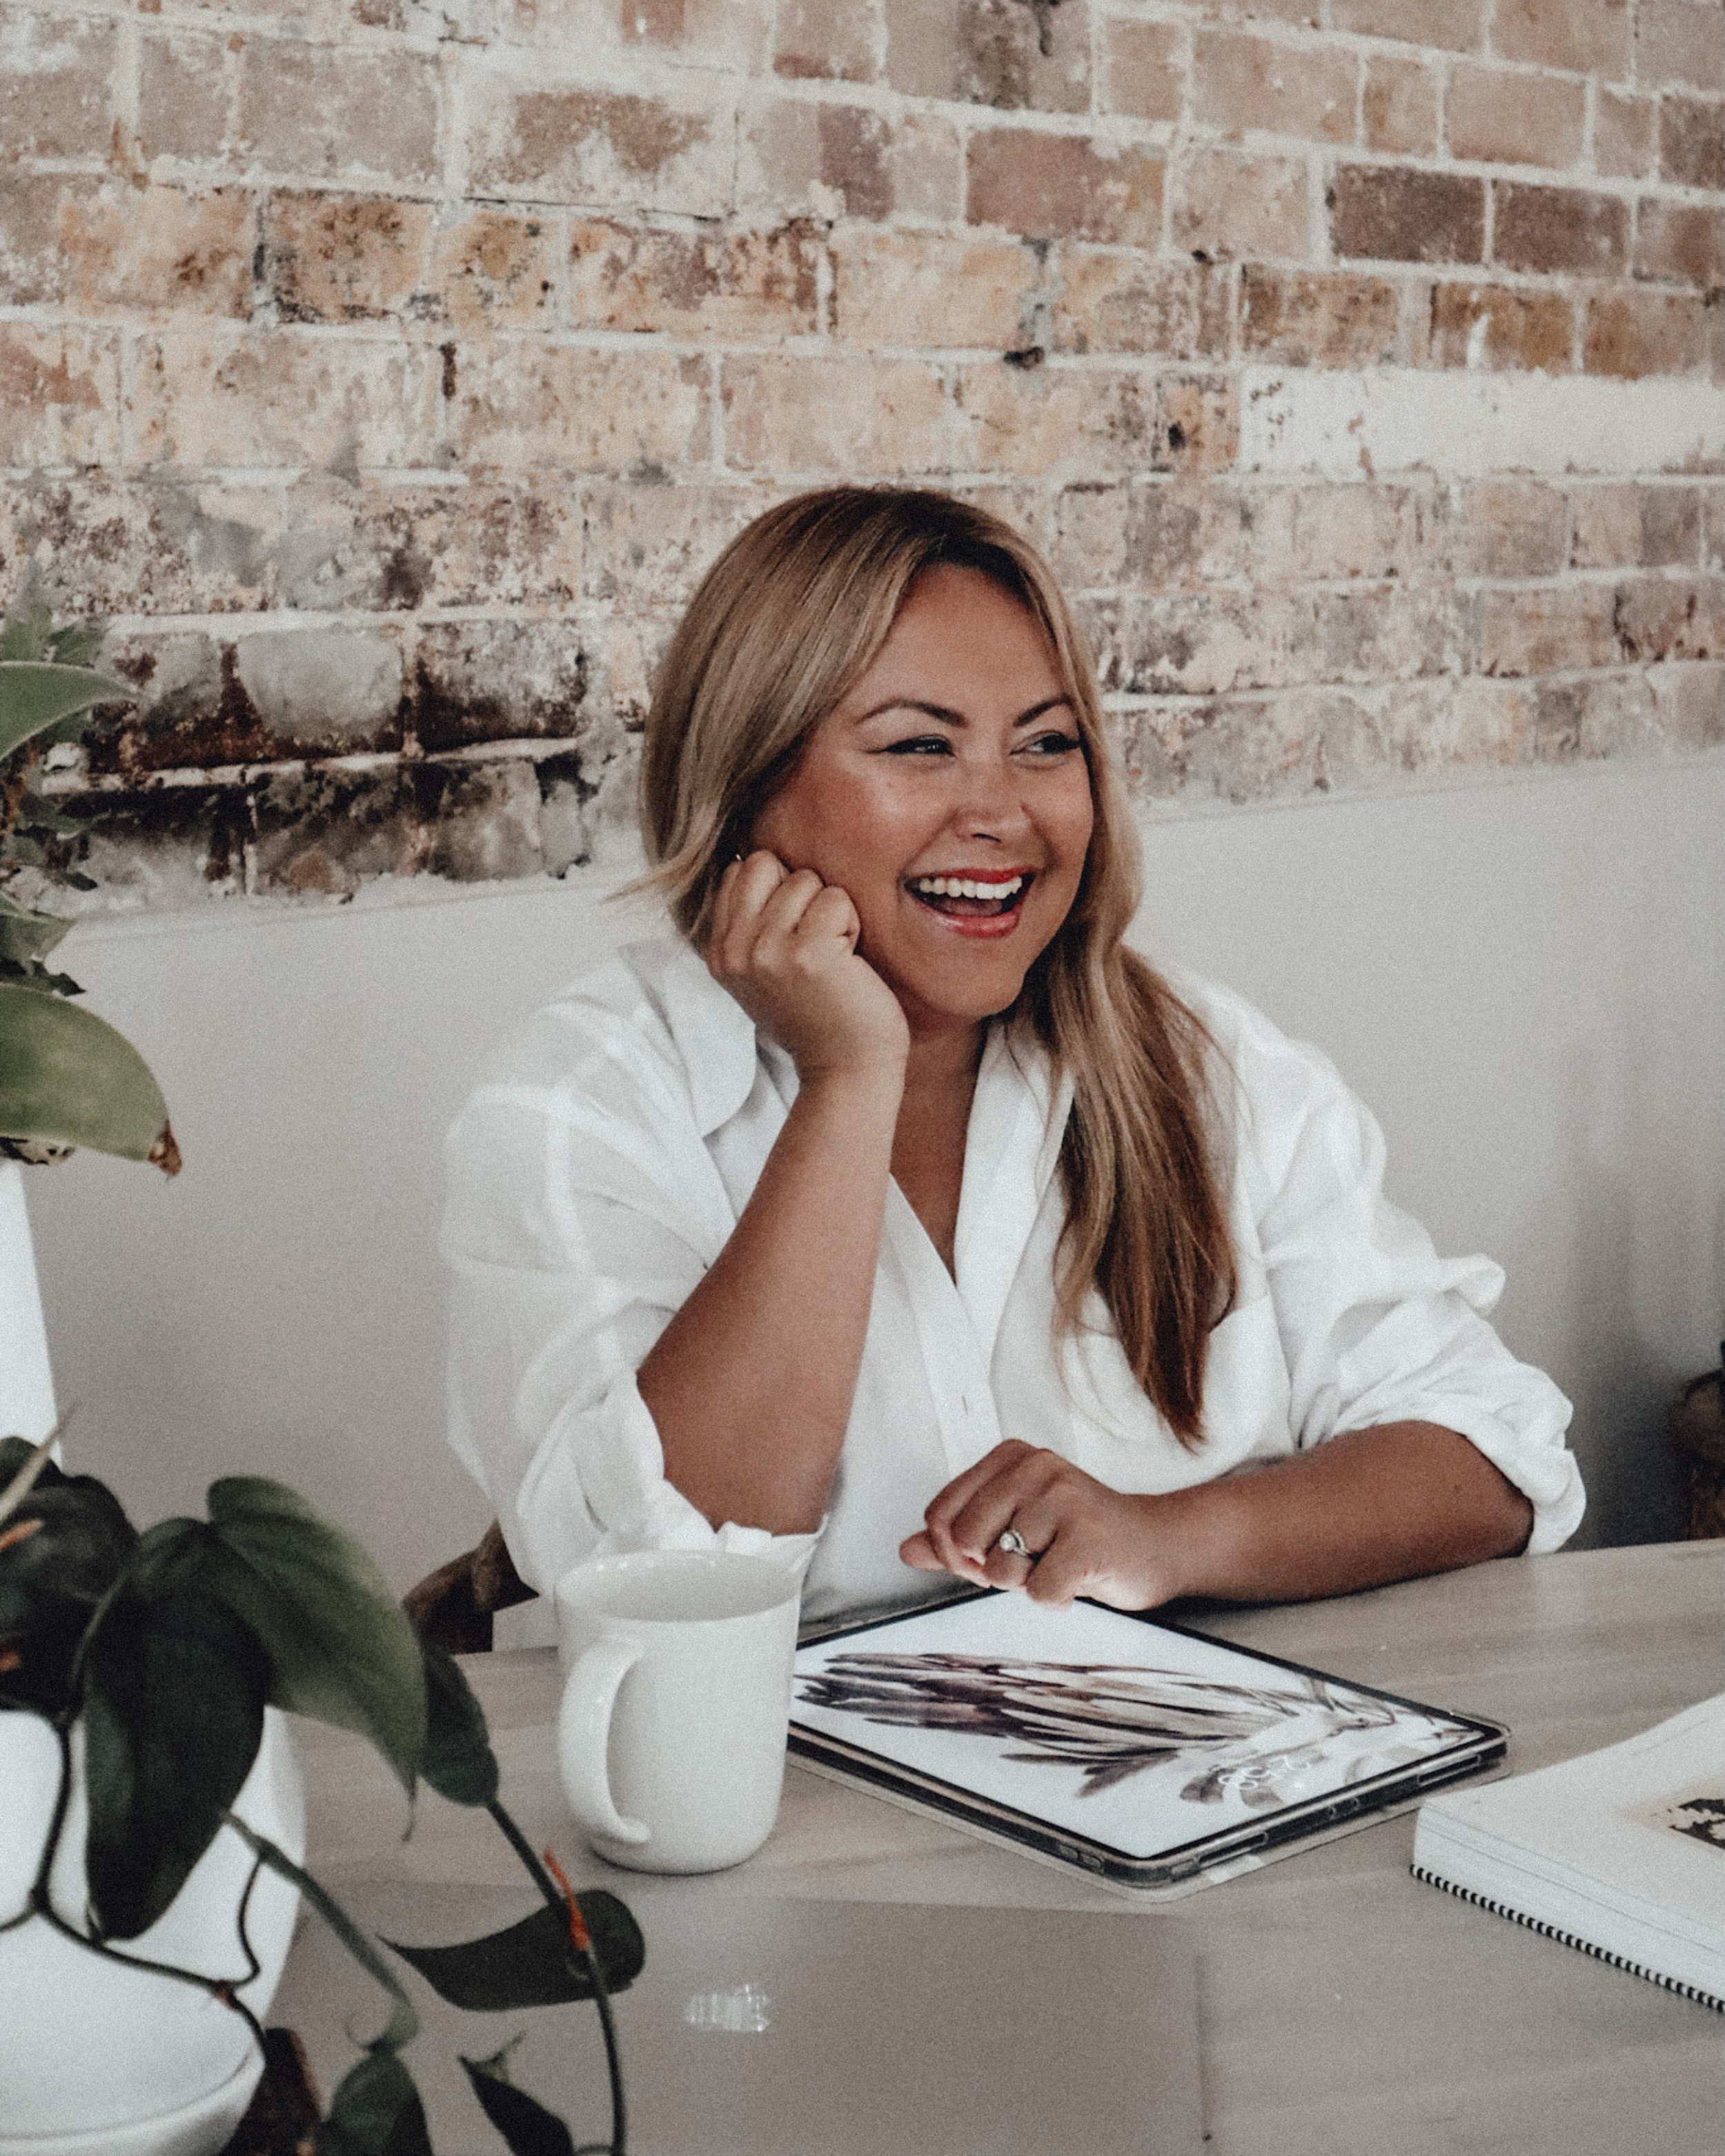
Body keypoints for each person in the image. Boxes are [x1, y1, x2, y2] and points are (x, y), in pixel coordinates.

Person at [444, 487, 1581, 1628]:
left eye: (1046, 745)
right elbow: (656, 1569)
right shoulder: (586, 1101)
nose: (1002, 812)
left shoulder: (1212, 1065)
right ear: (746, 784)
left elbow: (1495, 1457)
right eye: (920, 747)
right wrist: (847, 1083)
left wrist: (1167, 1537)